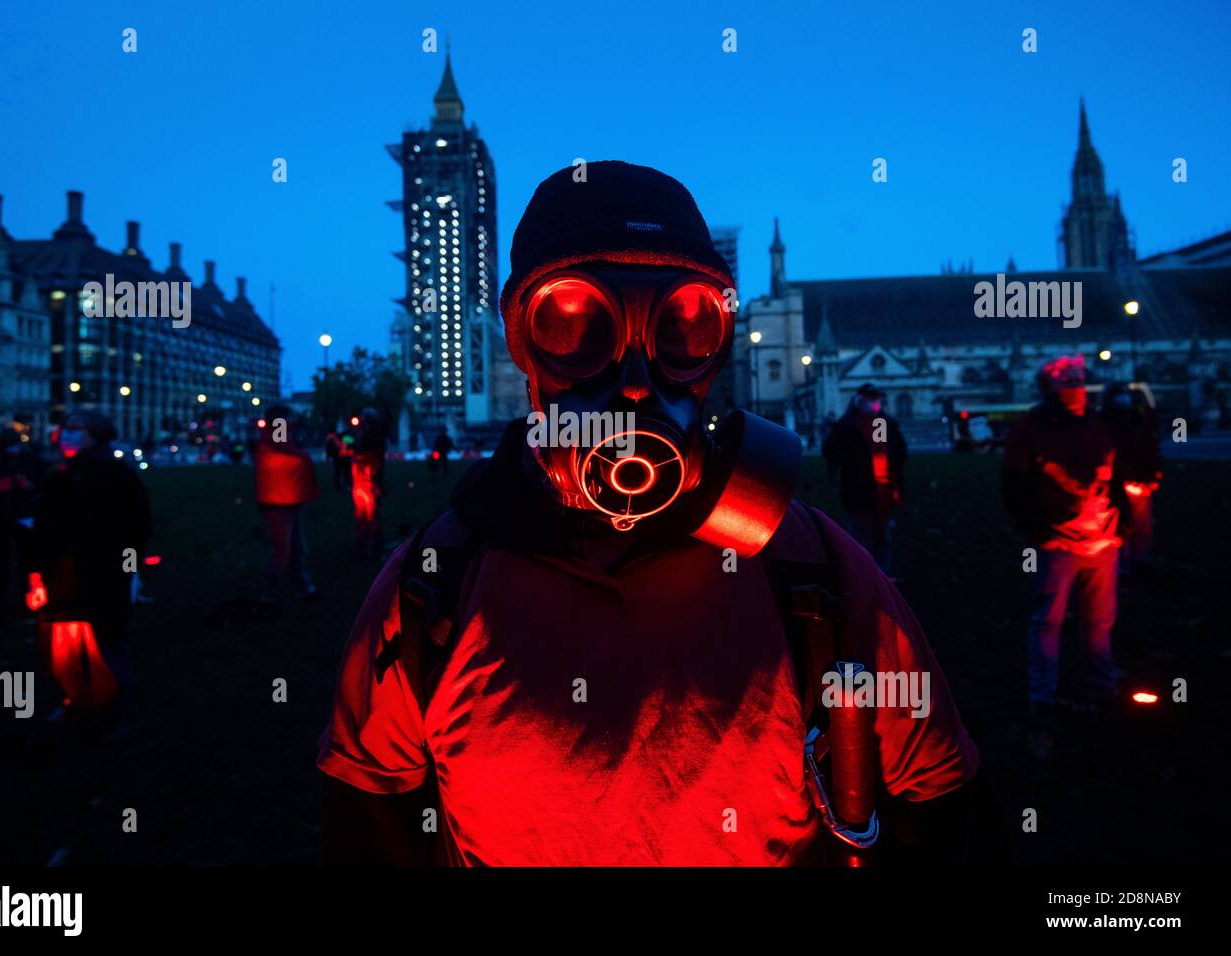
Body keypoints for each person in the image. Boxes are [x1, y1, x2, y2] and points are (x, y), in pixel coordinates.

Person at [318, 161, 1002, 866]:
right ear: (524, 344)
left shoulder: (815, 571)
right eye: (576, 323)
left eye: (683, 325)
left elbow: (941, 805)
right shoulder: (435, 583)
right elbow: (368, 815)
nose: (636, 384)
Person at [1002, 355, 1128, 735]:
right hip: (1058, 543)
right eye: (1067, 380)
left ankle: (1102, 686)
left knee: (1100, 621)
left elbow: (1116, 473)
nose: (1076, 386)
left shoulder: (1098, 423)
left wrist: (1120, 519)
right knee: (1049, 621)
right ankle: (1042, 697)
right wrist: (1038, 532)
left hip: (1102, 541)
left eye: (1078, 379)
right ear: (1049, 388)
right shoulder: (1030, 428)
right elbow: (1013, 485)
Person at [32, 411, 152, 726]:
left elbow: (136, 527)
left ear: (95, 436)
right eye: (65, 429)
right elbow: (45, 528)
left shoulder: (117, 477)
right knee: (63, 645)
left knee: (107, 645)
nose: (68, 436)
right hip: (62, 573)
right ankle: (75, 700)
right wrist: (38, 570)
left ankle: (116, 712)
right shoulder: (59, 477)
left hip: (103, 573)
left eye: (77, 430)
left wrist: (127, 569)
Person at [821, 384, 907, 576]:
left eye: (876, 399)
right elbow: (830, 451)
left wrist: (890, 465)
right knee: (860, 535)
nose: (874, 403)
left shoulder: (883, 423)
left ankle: (882, 573)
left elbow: (894, 449)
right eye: (871, 399)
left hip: (883, 488)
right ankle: (862, 574)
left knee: (882, 534)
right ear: (859, 401)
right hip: (858, 487)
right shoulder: (847, 426)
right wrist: (853, 460)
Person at [254, 406, 320, 602]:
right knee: (284, 548)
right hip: (280, 499)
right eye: (289, 418)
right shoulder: (279, 429)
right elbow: (287, 452)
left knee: (293, 544)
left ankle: (300, 584)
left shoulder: (273, 433)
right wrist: (303, 458)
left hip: (282, 497)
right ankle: (272, 591)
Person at [1101, 382, 1161, 574]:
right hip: (1119, 480)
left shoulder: (1137, 419)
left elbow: (1149, 447)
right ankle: (1124, 562)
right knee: (1122, 524)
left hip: (1139, 479)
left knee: (1141, 524)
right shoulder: (1105, 423)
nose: (1124, 397)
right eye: (1121, 394)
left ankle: (1139, 559)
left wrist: (1153, 473)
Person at [0, 428, 42, 616]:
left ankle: (25, 598)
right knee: (0, 562)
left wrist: (29, 486)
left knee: (26, 561)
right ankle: (0, 599)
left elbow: (43, 484)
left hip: (24, 517)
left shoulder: (31, 460)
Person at [349, 409, 388, 558]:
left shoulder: (365, 437)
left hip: (362, 481)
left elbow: (354, 449)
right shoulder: (376, 438)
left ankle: (364, 544)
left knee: (363, 515)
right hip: (370, 482)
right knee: (371, 515)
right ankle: (372, 546)